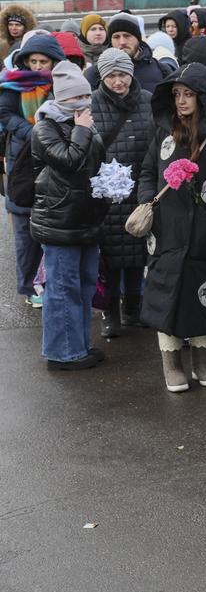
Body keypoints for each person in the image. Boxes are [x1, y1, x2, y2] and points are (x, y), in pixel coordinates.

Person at [135, 62, 206, 392]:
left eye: (189, 94)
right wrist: (148, 203)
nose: (181, 101)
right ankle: (171, 364)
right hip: (166, 232)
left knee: (205, 296)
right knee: (166, 295)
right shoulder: (164, 133)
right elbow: (146, 172)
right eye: (176, 94)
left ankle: (202, 360)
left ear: (204, 98)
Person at [29, 61, 107, 370]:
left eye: (86, 97)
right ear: (61, 99)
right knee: (62, 289)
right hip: (58, 221)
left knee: (85, 284)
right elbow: (70, 160)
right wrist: (82, 130)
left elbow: (93, 160)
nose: (83, 104)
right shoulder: (44, 127)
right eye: (76, 99)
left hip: (85, 217)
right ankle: (61, 353)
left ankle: (79, 345)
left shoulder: (83, 122)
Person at [91, 48, 153, 340]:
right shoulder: (91, 104)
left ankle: (133, 309)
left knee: (137, 255)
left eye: (123, 74)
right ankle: (110, 314)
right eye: (111, 76)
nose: (118, 82)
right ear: (103, 77)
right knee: (111, 259)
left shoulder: (149, 102)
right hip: (106, 195)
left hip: (141, 189)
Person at [1, 33, 65, 308]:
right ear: (25, 61)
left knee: (52, 228)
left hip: (53, 162)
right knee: (25, 234)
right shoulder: (12, 85)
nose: (38, 66)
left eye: (44, 61)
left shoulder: (61, 84)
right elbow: (5, 115)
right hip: (22, 162)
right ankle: (29, 285)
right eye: (33, 60)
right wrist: (34, 132)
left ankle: (52, 281)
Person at [84, 15, 173, 93]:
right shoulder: (94, 74)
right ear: (110, 41)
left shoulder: (162, 71)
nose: (122, 42)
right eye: (116, 37)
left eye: (127, 36)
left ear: (138, 38)